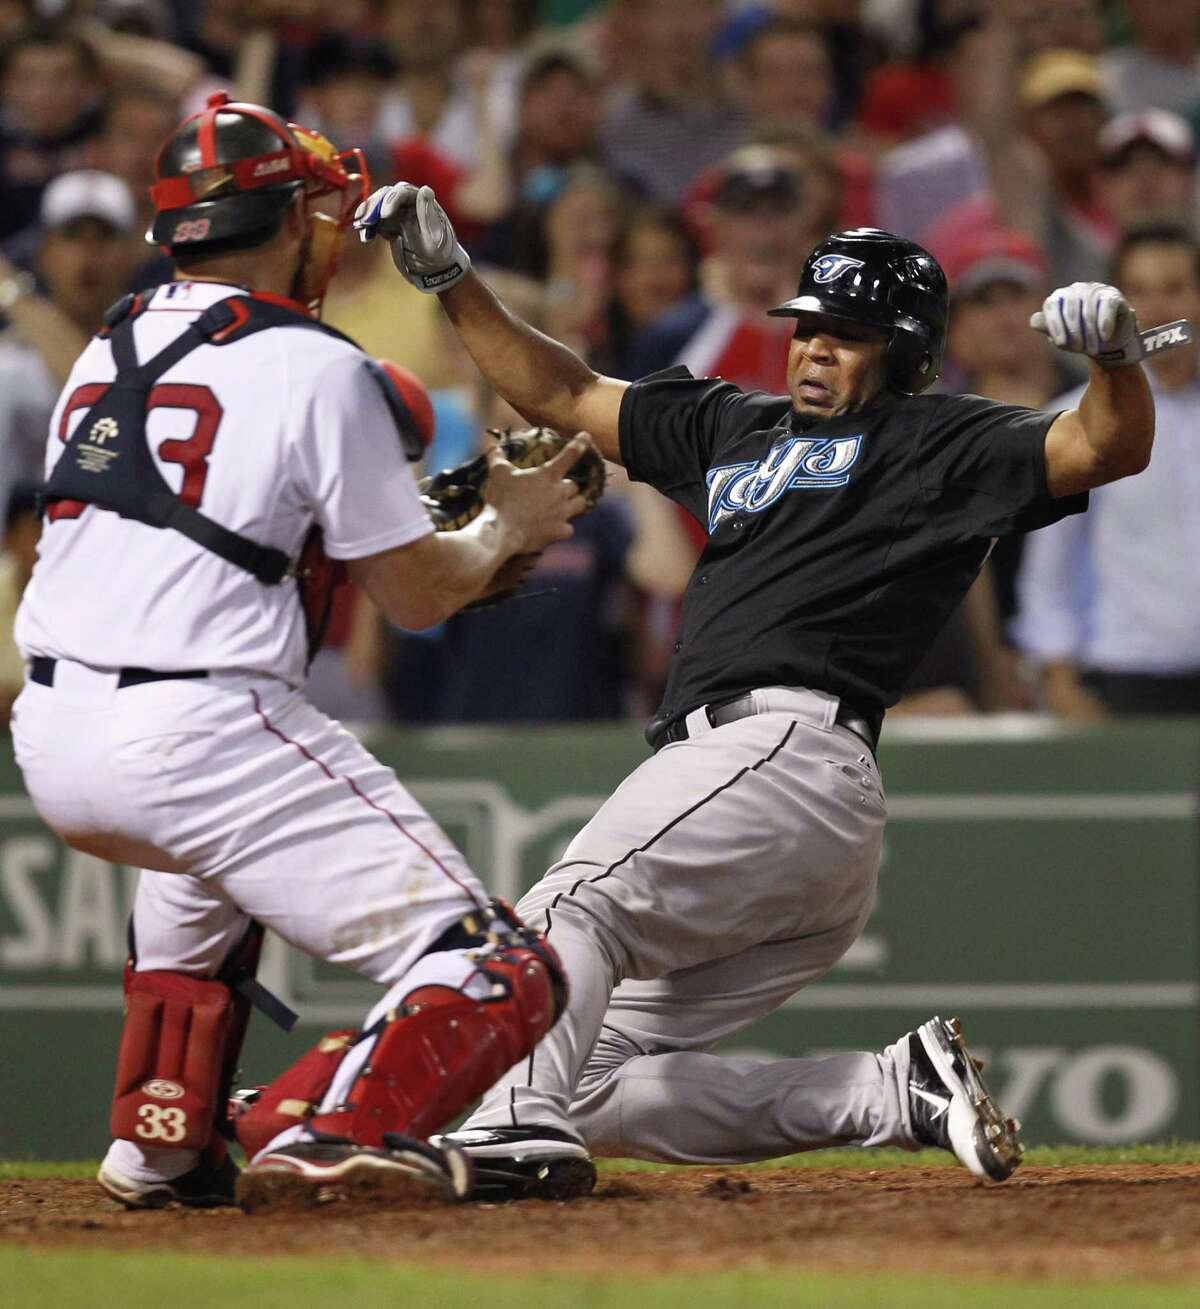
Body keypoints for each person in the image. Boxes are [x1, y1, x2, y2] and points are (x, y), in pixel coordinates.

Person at [355, 181, 1156, 1195]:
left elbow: (1103, 444)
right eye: (810, 325)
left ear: (907, 354)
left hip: (785, 751)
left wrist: (1116, 363)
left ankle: (513, 1125)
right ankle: (880, 1091)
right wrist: (450, 280)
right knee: (588, 1072)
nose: (816, 347)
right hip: (780, 803)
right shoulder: (730, 423)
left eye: (850, 333)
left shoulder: (939, 438)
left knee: (567, 915)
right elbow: (561, 394)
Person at [10, 93, 587, 1211]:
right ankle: (330, 1129)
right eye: (316, 207)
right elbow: (417, 597)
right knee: (500, 970)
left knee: (200, 881)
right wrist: (505, 529)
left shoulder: (105, 345)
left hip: (54, 734)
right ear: (285, 218)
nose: (330, 228)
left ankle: (162, 1143)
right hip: (201, 732)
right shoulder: (321, 364)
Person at [1014, 223, 1200, 717]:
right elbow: (1051, 559)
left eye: (1175, 289)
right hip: (1123, 679)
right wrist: (1057, 677)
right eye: (1139, 292)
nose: (1158, 310)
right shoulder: (1078, 419)